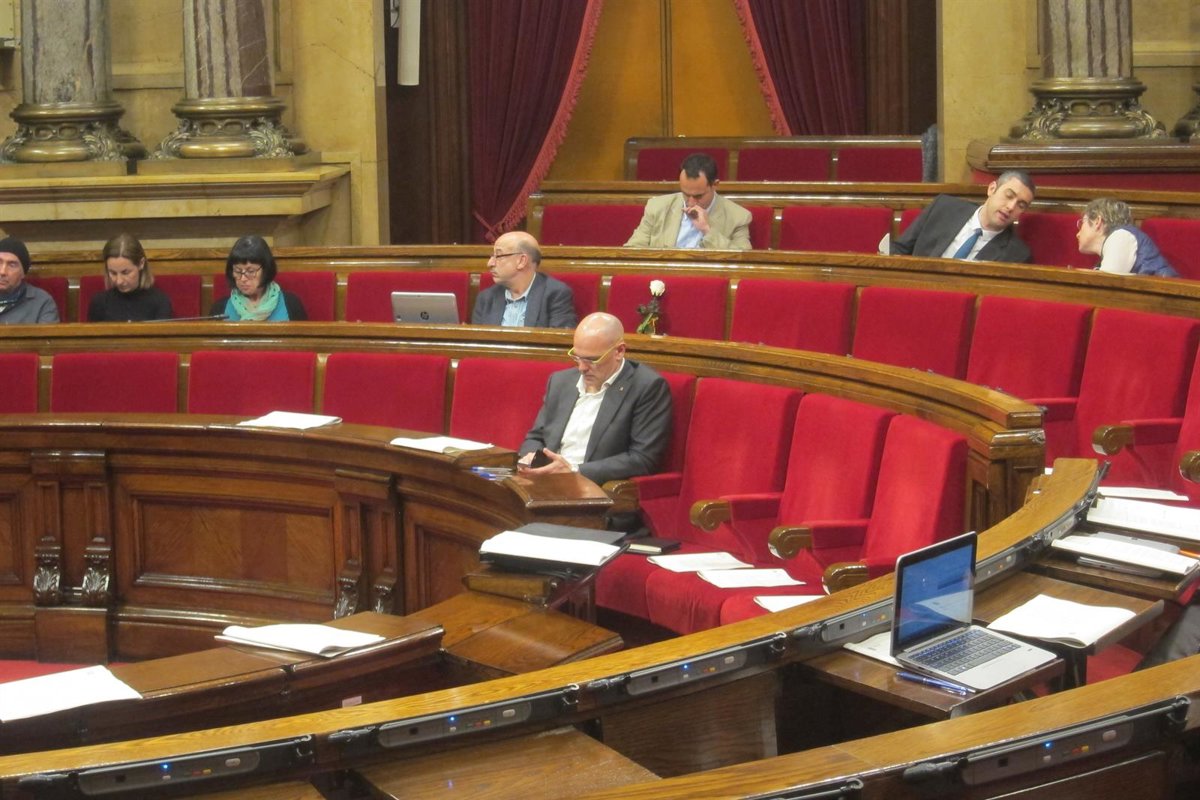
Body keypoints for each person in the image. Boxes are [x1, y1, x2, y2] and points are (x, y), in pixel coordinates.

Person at [518, 312, 672, 486]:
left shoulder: (646, 386)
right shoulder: (561, 381)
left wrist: (574, 471)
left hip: (594, 489)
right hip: (546, 483)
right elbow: (536, 437)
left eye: (592, 360)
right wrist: (531, 457)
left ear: (619, 351)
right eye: (577, 357)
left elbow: (643, 459)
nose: (582, 368)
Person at [890, 170, 1036, 263]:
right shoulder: (943, 208)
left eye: (1021, 205)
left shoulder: (1016, 255)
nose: (1011, 207)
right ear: (992, 189)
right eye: (1009, 196)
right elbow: (900, 249)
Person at [624, 153, 752, 250]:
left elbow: (742, 260)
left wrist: (707, 230)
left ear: (715, 185)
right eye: (685, 194)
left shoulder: (738, 217)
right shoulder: (657, 207)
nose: (690, 202)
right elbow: (632, 251)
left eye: (698, 196)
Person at [471, 231, 576, 328]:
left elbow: (558, 340)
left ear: (522, 261)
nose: (490, 263)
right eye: (492, 256)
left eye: (498, 255)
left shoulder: (555, 294)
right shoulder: (486, 298)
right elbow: (476, 340)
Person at [210, 235, 307, 321]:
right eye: (238, 271)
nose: (243, 278)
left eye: (250, 271)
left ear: (266, 270)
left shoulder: (291, 304)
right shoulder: (219, 308)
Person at [1076, 198, 1179, 277]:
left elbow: (1105, 285)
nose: (1078, 234)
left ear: (1097, 221)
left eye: (1082, 223)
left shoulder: (1121, 236)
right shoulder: (1116, 240)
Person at [88, 234, 174, 321]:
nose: (119, 281)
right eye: (113, 273)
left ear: (141, 264)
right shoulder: (99, 303)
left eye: (125, 272)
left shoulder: (159, 302)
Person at [0, 236, 58, 324]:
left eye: (12, 265)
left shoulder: (42, 302)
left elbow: (48, 333)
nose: (2, 272)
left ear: (23, 273)